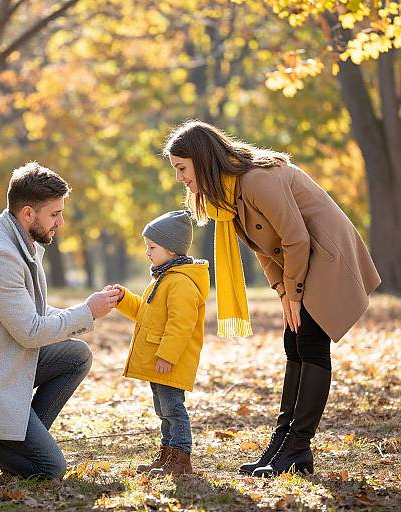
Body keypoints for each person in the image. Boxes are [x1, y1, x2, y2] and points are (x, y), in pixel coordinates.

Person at [163, 121, 381, 477]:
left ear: (202, 161)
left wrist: (294, 295)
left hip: (324, 254)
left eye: (182, 168)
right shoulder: (229, 196)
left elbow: (295, 238)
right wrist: (283, 294)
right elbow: (265, 249)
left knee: (310, 342)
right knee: (293, 342)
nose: (179, 179)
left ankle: (297, 447)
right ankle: (283, 444)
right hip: (301, 260)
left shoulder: (255, 181)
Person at [0, 162, 121, 482]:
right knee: (50, 469)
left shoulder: (21, 244)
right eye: (55, 213)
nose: (61, 221)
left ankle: (15, 447)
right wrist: (87, 311)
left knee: (76, 355)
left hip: (0, 361)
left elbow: (33, 313)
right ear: (28, 213)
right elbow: (30, 332)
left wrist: (86, 309)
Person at [109, 211, 209, 475]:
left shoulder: (181, 283)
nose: (147, 253)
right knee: (163, 410)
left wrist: (167, 355)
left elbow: (181, 324)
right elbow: (146, 314)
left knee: (174, 410)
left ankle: (181, 458)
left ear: (172, 250)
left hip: (169, 361)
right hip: (160, 360)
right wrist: (124, 299)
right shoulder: (163, 278)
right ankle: (167, 454)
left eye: (152, 247)